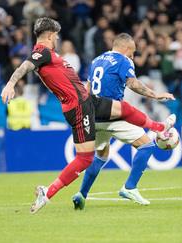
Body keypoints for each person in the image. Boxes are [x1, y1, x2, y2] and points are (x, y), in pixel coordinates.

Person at [0, 17, 176, 214]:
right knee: (84, 159)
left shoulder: (57, 56)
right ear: (49, 35)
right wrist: (11, 83)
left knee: (124, 108)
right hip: (79, 107)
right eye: (56, 35)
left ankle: (161, 128)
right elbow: (26, 65)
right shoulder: (41, 52)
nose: (57, 38)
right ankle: (47, 192)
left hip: (88, 100)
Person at [72, 33, 168, 209]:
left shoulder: (96, 60)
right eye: (132, 52)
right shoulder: (124, 60)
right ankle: (130, 187)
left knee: (100, 156)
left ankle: (81, 194)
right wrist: (156, 95)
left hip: (94, 116)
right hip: (112, 115)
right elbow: (132, 84)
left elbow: (88, 89)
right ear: (126, 49)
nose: (133, 56)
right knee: (147, 145)